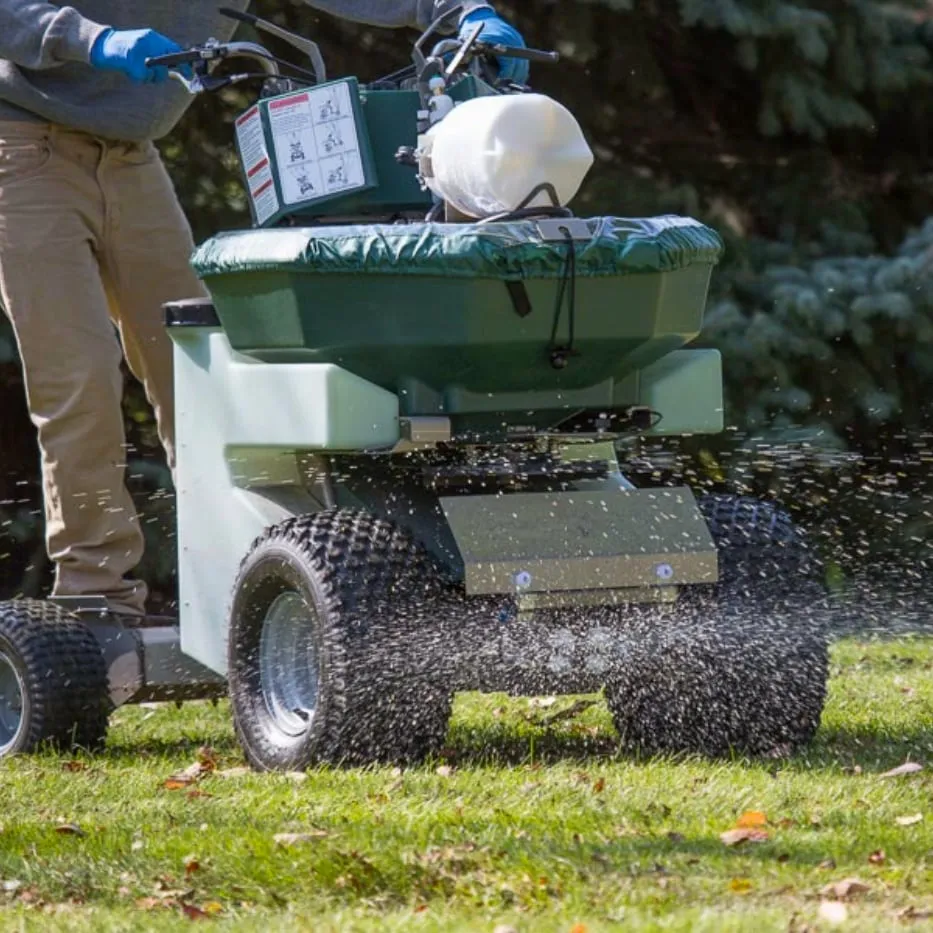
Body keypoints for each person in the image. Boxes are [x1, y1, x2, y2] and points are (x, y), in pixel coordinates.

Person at [0, 1, 527, 620]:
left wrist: (459, 9)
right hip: (22, 144)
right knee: (80, 375)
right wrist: (90, 40)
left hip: (130, 156)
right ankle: (96, 593)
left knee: (200, 370)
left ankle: (234, 576)